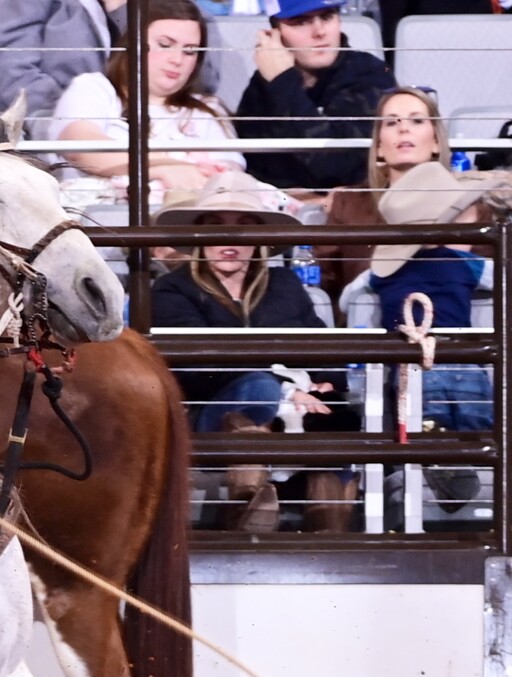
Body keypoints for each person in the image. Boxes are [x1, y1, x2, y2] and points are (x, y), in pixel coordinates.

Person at [152, 171, 356, 532]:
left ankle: (328, 533)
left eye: (243, 227)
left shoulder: (283, 284)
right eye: (216, 227)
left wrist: (323, 383)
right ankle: (246, 510)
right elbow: (201, 366)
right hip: (208, 415)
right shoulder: (171, 290)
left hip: (293, 411)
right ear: (199, 235)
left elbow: (324, 349)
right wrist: (287, 385)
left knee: (339, 415)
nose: (229, 240)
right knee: (260, 388)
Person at [49, 0, 243, 201]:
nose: (177, 60)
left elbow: (227, 179)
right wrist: (168, 167)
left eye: (190, 51)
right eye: (165, 45)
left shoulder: (209, 110)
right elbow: (81, 148)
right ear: (133, 43)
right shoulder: (93, 89)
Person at [369, 161, 500, 434]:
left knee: (427, 440)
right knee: (478, 439)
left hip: (411, 362)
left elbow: (349, 297)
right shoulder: (463, 262)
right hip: (461, 358)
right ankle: (471, 475)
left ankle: (444, 473)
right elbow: (499, 275)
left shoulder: (381, 274)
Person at [0, 0, 222, 135]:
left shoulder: (180, 5)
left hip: (159, 126)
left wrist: (124, 13)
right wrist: (72, 117)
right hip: (54, 124)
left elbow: (204, 77)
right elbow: (8, 74)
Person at [234, 0, 396, 194]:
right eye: (301, 22)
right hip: (280, 214)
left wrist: (283, 82)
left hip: (354, 213)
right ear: (274, 33)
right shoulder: (263, 83)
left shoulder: (371, 74)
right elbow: (255, 171)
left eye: (327, 16)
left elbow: (333, 166)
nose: (319, 32)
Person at [316, 86, 450, 303]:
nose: (403, 129)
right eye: (391, 122)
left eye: (416, 121)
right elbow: (324, 282)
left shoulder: (468, 205)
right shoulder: (348, 204)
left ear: (436, 141)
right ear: (378, 146)